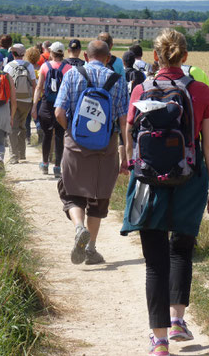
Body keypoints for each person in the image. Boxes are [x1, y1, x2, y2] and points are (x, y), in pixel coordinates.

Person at [120, 29, 209, 356]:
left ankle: (160, 341)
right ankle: (178, 319)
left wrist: (130, 165)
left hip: (149, 181)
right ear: (185, 57)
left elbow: (129, 131)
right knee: (181, 249)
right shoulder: (202, 91)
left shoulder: (140, 88)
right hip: (190, 179)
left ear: (155, 56)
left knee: (154, 263)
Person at [54, 40, 129, 265]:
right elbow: (124, 122)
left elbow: (59, 111)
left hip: (76, 145)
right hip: (105, 148)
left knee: (71, 192)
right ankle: (91, 249)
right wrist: (127, 154)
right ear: (108, 58)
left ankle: (79, 227)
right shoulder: (118, 80)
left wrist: (70, 131)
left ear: (86, 56)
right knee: (98, 197)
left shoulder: (72, 75)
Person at [32, 41, 71, 177]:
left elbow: (39, 87)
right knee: (60, 136)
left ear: (51, 53)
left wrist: (34, 106)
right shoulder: (69, 68)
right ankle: (57, 167)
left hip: (46, 106)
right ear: (62, 53)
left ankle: (44, 164)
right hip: (61, 106)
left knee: (47, 136)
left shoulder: (44, 66)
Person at [4, 43, 36, 163]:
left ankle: (13, 156)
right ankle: (22, 154)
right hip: (26, 100)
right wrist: (33, 101)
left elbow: (5, 84)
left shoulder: (8, 66)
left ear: (13, 54)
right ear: (24, 54)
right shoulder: (30, 66)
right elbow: (34, 85)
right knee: (22, 126)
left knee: (13, 126)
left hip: (13, 100)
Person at [24, 46, 42, 144]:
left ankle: (27, 138)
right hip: (38, 96)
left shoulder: (26, 68)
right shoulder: (40, 68)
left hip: (27, 95)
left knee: (27, 118)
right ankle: (39, 129)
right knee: (37, 116)